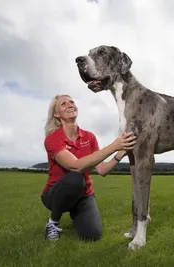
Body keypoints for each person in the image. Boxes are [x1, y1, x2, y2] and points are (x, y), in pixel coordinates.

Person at [40, 94, 137, 241]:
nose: (70, 104)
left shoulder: (89, 137)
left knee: (92, 235)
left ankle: (76, 213)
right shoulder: (52, 139)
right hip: (55, 194)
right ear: (56, 114)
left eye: (72, 101)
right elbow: (75, 166)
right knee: (76, 178)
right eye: (63, 104)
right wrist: (114, 145)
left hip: (83, 195)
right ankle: (53, 222)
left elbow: (102, 170)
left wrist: (120, 152)